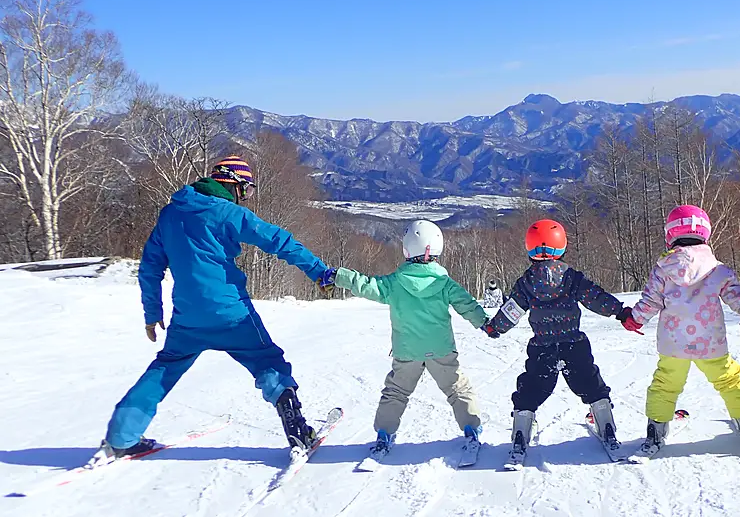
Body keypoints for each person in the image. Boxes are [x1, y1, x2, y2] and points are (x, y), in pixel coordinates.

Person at [101, 156, 330, 458]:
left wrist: (152, 313)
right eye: (246, 189)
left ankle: (121, 437)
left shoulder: (170, 214)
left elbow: (150, 268)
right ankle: (297, 429)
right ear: (234, 184)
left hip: (187, 318)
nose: (246, 196)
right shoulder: (228, 213)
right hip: (232, 313)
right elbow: (279, 241)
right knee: (266, 360)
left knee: (164, 369)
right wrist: (318, 271)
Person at [319, 220, 487, 456]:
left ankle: (385, 435)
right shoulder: (444, 283)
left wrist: (340, 276)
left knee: (396, 392)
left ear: (407, 248)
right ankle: (472, 429)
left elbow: (367, 285)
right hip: (441, 349)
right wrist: (486, 324)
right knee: (457, 388)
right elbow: (467, 305)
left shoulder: (394, 283)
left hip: (407, 351)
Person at [618, 205, 740, 454]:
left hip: (673, 344)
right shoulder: (718, 269)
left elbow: (651, 301)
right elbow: (738, 299)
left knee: (665, 383)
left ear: (670, 234)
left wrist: (636, 319)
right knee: (730, 379)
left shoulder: (663, 269)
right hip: (711, 343)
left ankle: (656, 429)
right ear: (705, 233)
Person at [484, 219, 629, 453]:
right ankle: (606, 424)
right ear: (562, 246)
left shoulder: (525, 283)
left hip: (543, 346)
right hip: (574, 343)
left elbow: (512, 309)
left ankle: (521, 429)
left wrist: (495, 328)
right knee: (589, 381)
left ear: (530, 248)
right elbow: (595, 297)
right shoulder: (571, 277)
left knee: (533, 385)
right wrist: (620, 312)